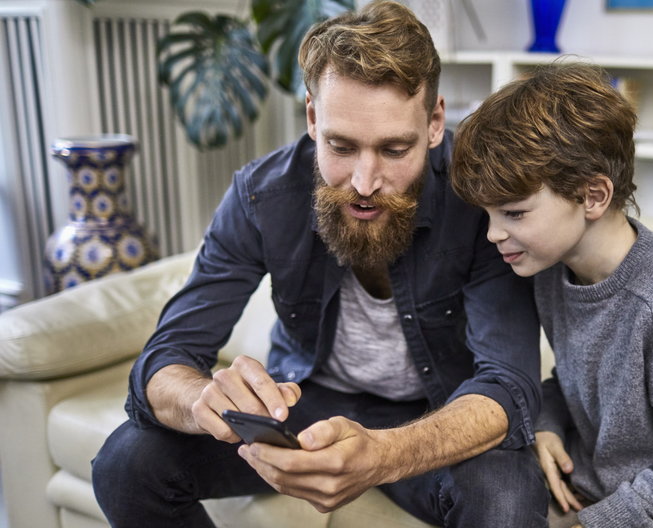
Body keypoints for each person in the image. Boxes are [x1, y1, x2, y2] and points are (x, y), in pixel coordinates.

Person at [91, 2, 548, 526]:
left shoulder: (478, 197)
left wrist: (383, 454)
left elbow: (507, 386)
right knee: (127, 464)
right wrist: (201, 398)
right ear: (312, 117)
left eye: (395, 149)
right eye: (341, 146)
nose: (364, 181)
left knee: (507, 501)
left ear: (435, 122)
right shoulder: (263, 197)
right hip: (303, 403)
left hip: (439, 408)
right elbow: (166, 357)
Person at [450, 62, 653, 528]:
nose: (493, 234)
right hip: (592, 497)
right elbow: (578, 382)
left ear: (593, 195)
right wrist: (548, 424)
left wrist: (596, 523)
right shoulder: (553, 271)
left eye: (514, 213)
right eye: (489, 215)